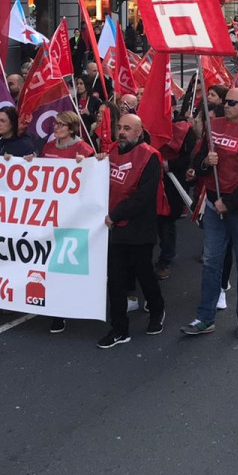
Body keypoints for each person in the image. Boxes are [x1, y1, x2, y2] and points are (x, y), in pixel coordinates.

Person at [181, 87, 238, 339]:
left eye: (232, 103)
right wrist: (203, 164)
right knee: (211, 263)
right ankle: (205, 317)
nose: (226, 106)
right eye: (225, 102)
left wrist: (231, 203)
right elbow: (198, 164)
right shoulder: (214, 126)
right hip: (213, 206)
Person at [97, 114, 167, 348]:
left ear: (139, 132)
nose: (122, 132)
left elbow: (143, 197)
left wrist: (116, 215)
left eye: (127, 128)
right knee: (115, 279)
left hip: (139, 228)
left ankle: (157, 309)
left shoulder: (150, 157)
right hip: (114, 227)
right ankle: (119, 328)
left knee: (143, 273)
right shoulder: (112, 152)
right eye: (119, 127)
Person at [154, 111, 196, 280]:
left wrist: (169, 164)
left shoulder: (184, 130)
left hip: (172, 183)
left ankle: (165, 260)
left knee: (166, 222)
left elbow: (190, 157)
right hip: (151, 181)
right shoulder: (146, 123)